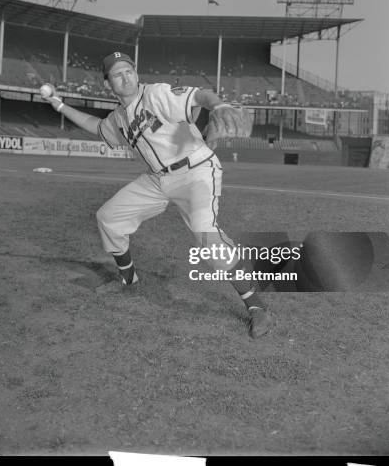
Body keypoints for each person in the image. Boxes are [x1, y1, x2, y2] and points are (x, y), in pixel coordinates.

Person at [41, 52, 270, 338]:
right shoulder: (119, 118)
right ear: (108, 83)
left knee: (206, 235)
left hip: (195, 170)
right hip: (158, 179)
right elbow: (97, 127)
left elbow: (200, 95)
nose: (125, 77)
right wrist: (59, 105)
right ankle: (129, 280)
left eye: (129, 71)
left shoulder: (157, 94)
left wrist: (219, 104)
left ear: (136, 73)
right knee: (108, 217)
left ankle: (256, 306)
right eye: (117, 74)